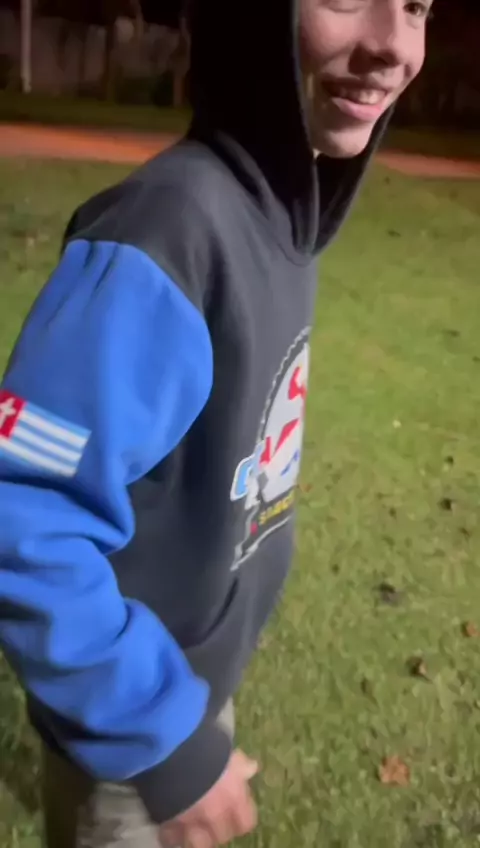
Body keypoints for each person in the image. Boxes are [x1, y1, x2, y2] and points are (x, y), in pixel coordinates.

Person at [0, 0, 430, 845]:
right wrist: (159, 735)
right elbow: (22, 510)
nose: (392, 45)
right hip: (129, 732)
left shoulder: (281, 212)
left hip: (182, 692)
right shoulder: (170, 230)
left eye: (416, 6)